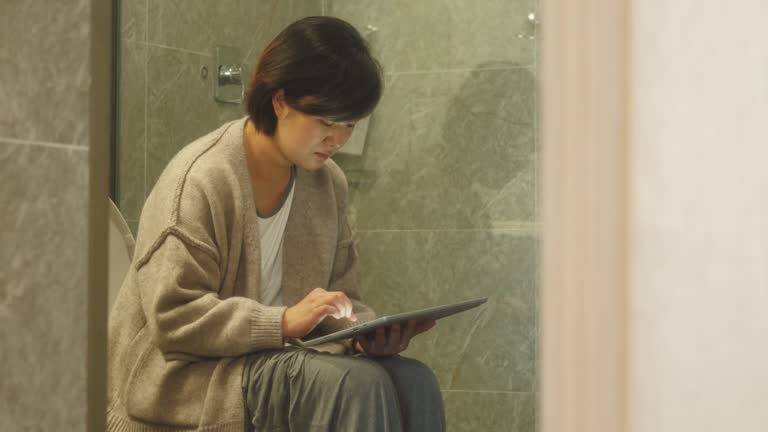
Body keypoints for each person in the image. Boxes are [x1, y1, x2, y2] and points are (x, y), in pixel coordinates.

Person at [107, 16, 445, 432]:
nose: (337, 140)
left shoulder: (329, 184)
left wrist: (361, 333)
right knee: (355, 385)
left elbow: (341, 299)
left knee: (414, 381)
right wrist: (282, 322)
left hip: (276, 362)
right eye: (326, 121)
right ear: (280, 101)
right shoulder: (201, 179)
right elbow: (175, 320)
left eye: (349, 125)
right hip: (189, 379)